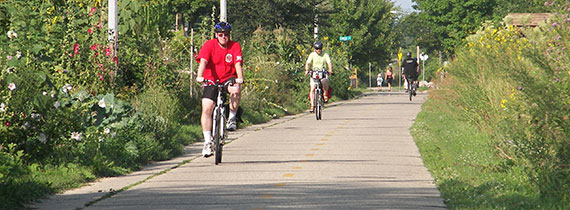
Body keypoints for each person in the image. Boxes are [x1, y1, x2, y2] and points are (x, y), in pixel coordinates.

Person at [196, 21, 244, 157]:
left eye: (226, 34)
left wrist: (240, 78)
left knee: (236, 89)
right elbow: (203, 61)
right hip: (211, 79)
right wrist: (200, 76)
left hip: (228, 78)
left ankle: (232, 118)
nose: (223, 37)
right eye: (221, 34)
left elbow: (237, 63)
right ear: (216, 35)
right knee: (207, 107)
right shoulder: (209, 45)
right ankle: (207, 142)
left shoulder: (235, 46)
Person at [305, 41, 333, 111]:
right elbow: (308, 63)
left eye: (320, 49)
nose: (318, 50)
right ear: (315, 49)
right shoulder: (312, 55)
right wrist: (307, 70)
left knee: (324, 81)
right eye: (317, 49)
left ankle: (325, 94)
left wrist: (330, 70)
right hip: (314, 72)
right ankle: (312, 105)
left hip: (322, 72)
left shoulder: (325, 55)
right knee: (312, 88)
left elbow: (329, 62)